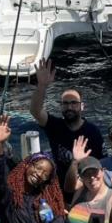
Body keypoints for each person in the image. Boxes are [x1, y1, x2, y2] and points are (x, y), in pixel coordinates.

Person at [29, 58, 104, 191]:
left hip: (84, 189)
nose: (69, 107)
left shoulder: (93, 132)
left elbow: (100, 165)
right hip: (56, 188)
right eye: (65, 103)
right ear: (61, 106)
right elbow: (35, 111)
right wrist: (41, 86)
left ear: (82, 106)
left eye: (74, 103)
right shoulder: (54, 125)